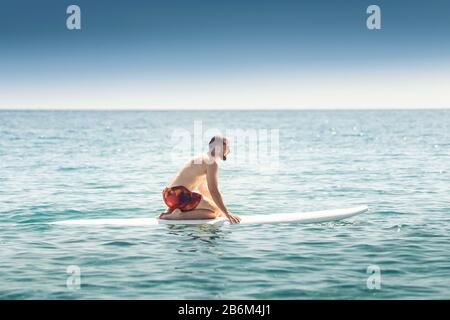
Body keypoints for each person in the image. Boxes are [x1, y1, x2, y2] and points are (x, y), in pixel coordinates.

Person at [158, 135, 241, 224]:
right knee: (215, 212)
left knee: (217, 209)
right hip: (180, 195)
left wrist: (219, 207)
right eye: (227, 146)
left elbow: (202, 189)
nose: (229, 149)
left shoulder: (201, 158)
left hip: (168, 195)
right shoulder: (211, 162)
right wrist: (226, 212)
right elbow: (214, 190)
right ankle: (179, 216)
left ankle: (170, 212)